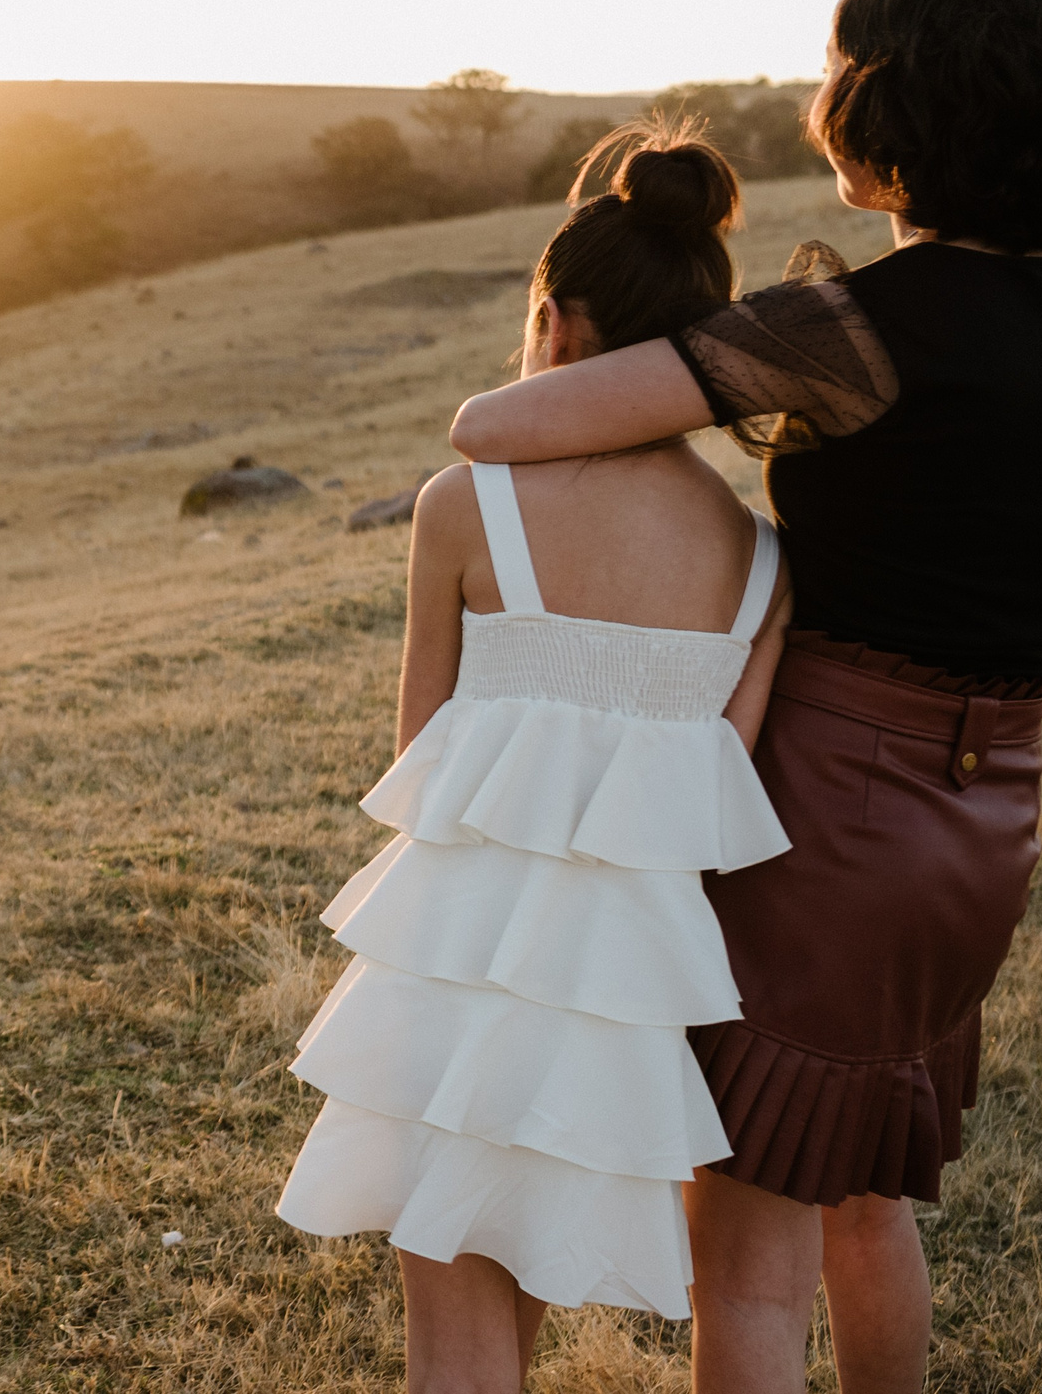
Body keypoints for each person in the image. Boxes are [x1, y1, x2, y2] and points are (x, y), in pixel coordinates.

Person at [448, 0, 1042, 1393]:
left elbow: (496, 428)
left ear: (893, 97)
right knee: (866, 1199)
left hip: (828, 809)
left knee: (743, 1261)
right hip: (991, 805)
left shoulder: (860, 327)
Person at [278, 126, 795, 1393]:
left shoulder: (467, 503)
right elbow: (713, 808)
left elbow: (422, 752)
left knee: (452, 1322)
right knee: (511, 1290)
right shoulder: (764, 564)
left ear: (553, 324)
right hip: (623, 999)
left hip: (458, 962)